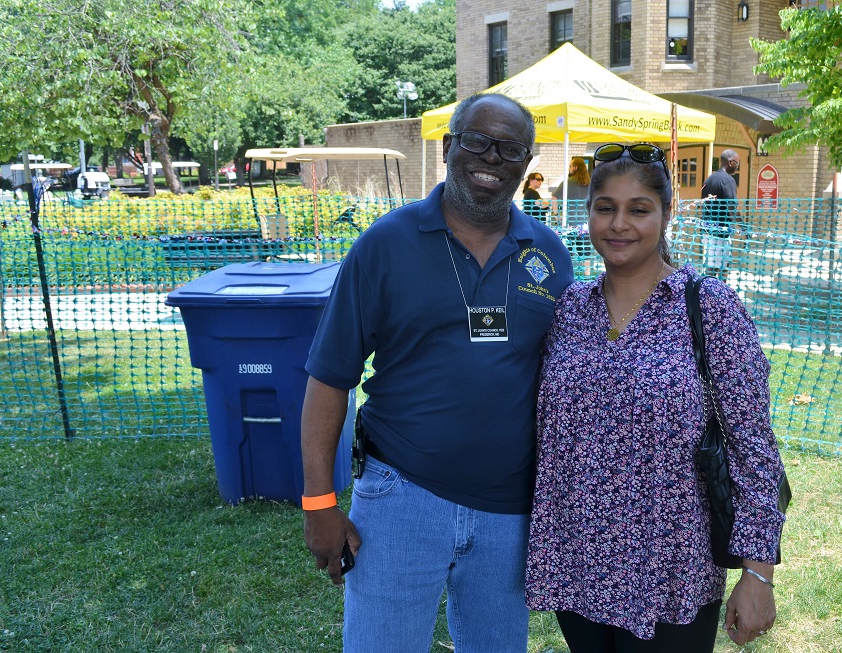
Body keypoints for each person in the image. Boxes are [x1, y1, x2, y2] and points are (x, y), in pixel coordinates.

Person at [300, 92, 574, 653]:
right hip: (401, 497)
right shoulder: (385, 245)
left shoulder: (549, 254)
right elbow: (329, 378)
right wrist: (319, 503)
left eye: (510, 149)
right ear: (449, 146)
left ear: (527, 164)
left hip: (510, 510)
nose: (492, 157)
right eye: (477, 140)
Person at [526, 143, 787, 652]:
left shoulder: (708, 307)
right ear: (589, 213)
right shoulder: (569, 308)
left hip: (671, 572)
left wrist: (759, 574)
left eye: (639, 209)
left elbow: (754, 448)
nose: (619, 224)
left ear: (667, 215)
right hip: (576, 563)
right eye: (606, 207)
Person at [700, 149, 740, 278]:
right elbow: (732, 207)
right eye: (737, 163)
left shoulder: (708, 180)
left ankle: (716, 289)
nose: (737, 166)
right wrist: (743, 227)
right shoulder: (728, 180)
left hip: (707, 230)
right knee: (716, 268)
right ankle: (711, 289)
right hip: (721, 233)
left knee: (719, 264)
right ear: (730, 162)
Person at [553, 156, 591, 223]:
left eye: (570, 166)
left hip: (570, 220)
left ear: (575, 167)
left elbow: (554, 198)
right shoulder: (590, 183)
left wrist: (556, 214)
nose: (569, 168)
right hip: (586, 220)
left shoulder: (567, 182)